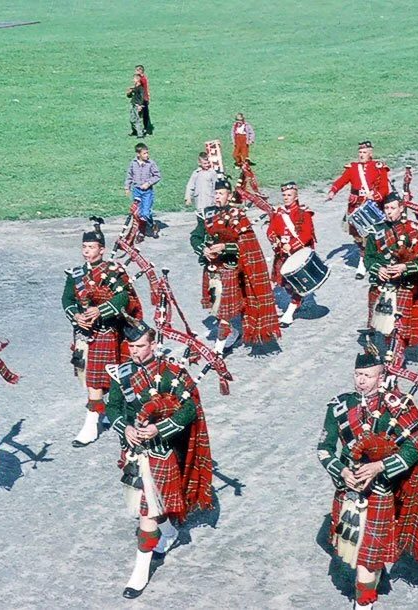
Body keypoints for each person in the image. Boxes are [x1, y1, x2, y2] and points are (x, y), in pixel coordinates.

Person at [317, 345, 418, 609]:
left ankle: (364, 604)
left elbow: (413, 451)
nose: (361, 380)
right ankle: (373, 578)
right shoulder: (340, 405)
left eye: (368, 376)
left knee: (366, 561)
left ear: (382, 377)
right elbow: (324, 449)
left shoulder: (397, 406)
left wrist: (379, 467)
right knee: (358, 553)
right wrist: (343, 471)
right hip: (348, 492)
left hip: (381, 492)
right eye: (358, 374)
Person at [104, 322, 213, 598]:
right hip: (134, 451)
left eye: (140, 346)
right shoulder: (122, 373)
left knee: (146, 512)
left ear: (153, 344)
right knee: (152, 505)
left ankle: (139, 573)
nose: (134, 351)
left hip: (162, 451)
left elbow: (189, 410)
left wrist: (157, 429)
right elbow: (113, 407)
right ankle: (169, 531)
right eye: (131, 346)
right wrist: (125, 428)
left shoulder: (172, 373)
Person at [62, 220, 143, 447]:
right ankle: (100, 415)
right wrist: (76, 316)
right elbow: (67, 299)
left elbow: (123, 298)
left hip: (106, 331)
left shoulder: (114, 271)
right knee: (87, 376)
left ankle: (93, 423)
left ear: (102, 250)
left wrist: (99, 311)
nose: (87, 251)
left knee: (99, 379)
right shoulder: (75, 274)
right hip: (84, 334)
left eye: (91, 247)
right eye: (84, 247)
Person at [190, 177, 281, 353]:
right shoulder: (205, 213)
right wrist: (203, 249)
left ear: (229, 195)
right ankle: (232, 333)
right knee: (216, 310)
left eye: (221, 193)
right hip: (211, 269)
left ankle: (218, 350)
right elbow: (195, 237)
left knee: (224, 313)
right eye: (216, 193)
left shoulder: (237, 215)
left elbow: (247, 245)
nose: (218, 197)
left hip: (230, 268)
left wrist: (224, 247)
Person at [364, 192, 418, 346]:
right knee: (377, 325)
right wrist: (378, 269)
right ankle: (377, 357)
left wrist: (405, 267)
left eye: (393, 208)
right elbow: (368, 257)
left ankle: (397, 356)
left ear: (401, 209)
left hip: (404, 285)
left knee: (400, 327)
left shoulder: (413, 229)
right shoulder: (376, 231)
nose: (389, 211)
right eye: (386, 208)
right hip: (381, 284)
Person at [326, 141, 390, 279]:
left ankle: (369, 261)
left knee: (371, 235)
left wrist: (374, 196)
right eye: (360, 152)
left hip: (371, 206)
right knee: (358, 236)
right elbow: (342, 180)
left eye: (364, 152)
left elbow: (384, 188)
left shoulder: (378, 167)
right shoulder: (353, 168)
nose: (361, 155)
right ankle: (363, 258)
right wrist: (333, 191)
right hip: (355, 207)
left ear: (371, 153)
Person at [267, 182, 316, 327]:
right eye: (284, 195)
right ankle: (297, 300)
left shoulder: (303, 213)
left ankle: (289, 313)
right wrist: (274, 240)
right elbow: (271, 230)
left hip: (299, 253)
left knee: (297, 284)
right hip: (282, 252)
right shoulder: (278, 213)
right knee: (283, 283)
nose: (286, 198)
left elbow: (307, 234)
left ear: (296, 196)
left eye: (289, 195)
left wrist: (292, 245)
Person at [124, 142, 162, 239]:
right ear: (138, 154)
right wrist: (127, 187)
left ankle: (153, 225)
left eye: (147, 153)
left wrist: (148, 183)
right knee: (138, 213)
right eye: (144, 153)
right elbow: (129, 176)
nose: (147, 155)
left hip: (147, 192)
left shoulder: (151, 163)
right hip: (137, 191)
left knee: (145, 213)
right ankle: (141, 232)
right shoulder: (133, 164)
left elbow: (157, 176)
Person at [135, 65, 153, 135]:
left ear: (140, 70)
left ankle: (142, 130)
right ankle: (146, 128)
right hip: (144, 98)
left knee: (140, 115)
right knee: (145, 114)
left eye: (136, 70)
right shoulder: (144, 78)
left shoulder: (141, 79)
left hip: (141, 99)